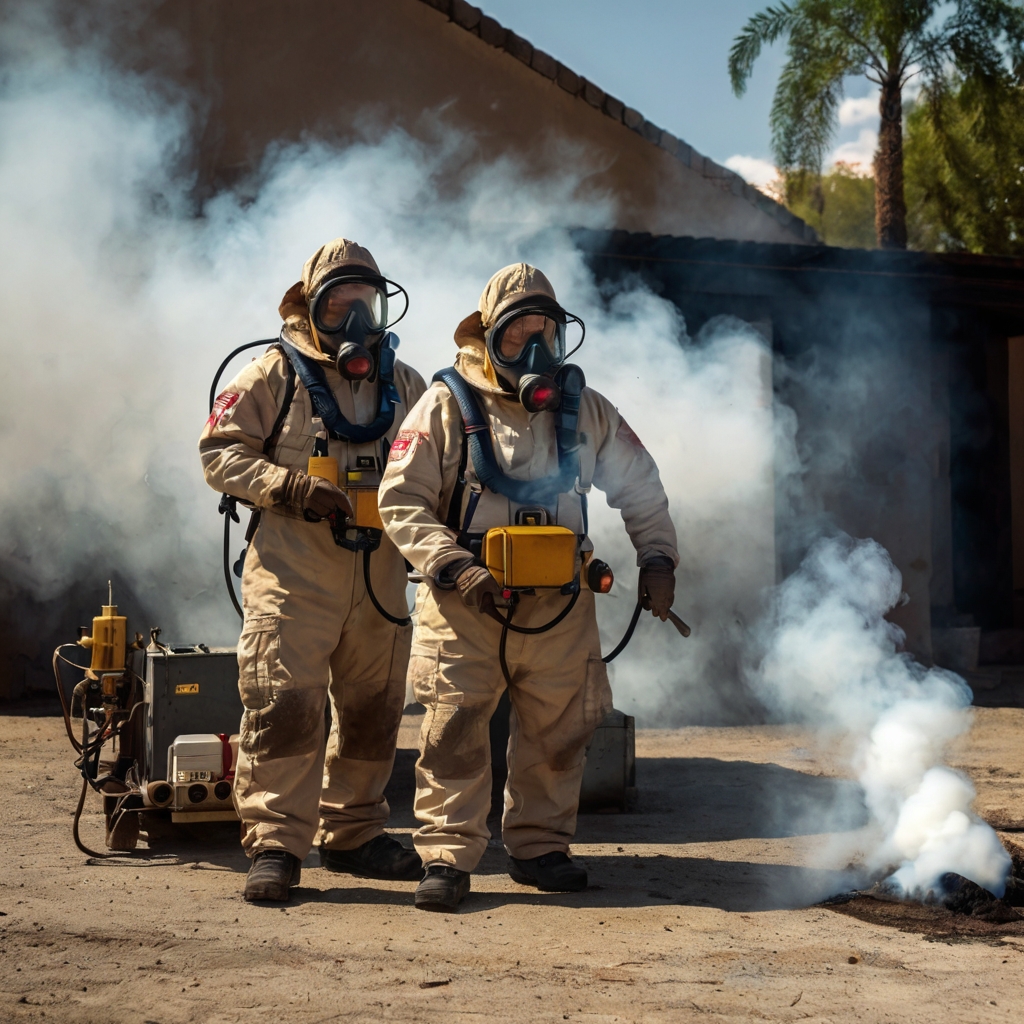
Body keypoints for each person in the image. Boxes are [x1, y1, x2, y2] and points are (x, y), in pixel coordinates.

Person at [377, 263, 678, 911]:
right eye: (519, 337)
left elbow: (641, 485)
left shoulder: (586, 410)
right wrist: (456, 566)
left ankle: (540, 846)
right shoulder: (445, 405)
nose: (536, 350)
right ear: (489, 338)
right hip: (465, 598)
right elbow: (401, 501)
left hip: (560, 604)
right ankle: (447, 857)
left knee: (560, 728)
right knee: (454, 728)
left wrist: (659, 558)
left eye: (549, 333)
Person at [200, 238, 427, 902]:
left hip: (380, 577)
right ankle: (276, 844)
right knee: (286, 706)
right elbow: (219, 452)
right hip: (295, 574)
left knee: (373, 708)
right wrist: (294, 487)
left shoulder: (406, 384)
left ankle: (354, 833)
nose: (355, 319)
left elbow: (443, 466)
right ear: (313, 309)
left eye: (368, 304)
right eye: (340, 305)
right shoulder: (273, 374)